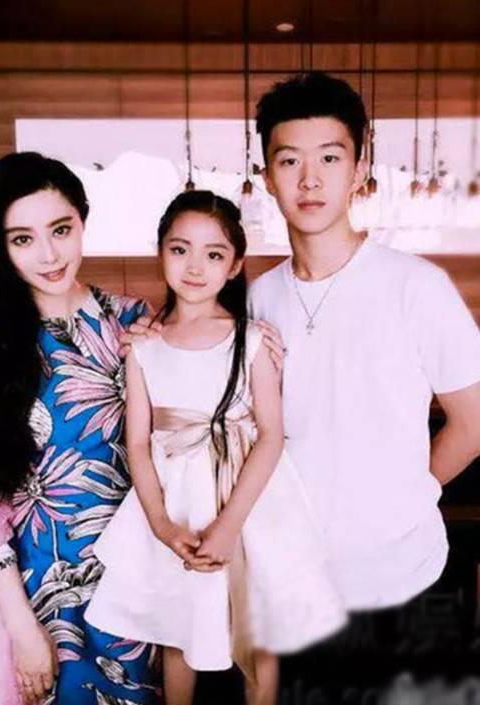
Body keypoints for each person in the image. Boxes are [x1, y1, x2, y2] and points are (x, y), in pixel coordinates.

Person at [85, 190, 347, 705]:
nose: (194, 267)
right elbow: (137, 442)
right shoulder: (143, 346)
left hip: (250, 505)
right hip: (177, 505)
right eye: (180, 249)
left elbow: (270, 435)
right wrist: (162, 525)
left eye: (213, 254)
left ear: (234, 266)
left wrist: (228, 525)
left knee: (258, 629)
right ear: (160, 252)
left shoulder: (253, 340)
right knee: (178, 630)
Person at [249, 72, 480, 612]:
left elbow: (473, 424)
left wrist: (409, 493)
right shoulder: (260, 297)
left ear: (358, 170)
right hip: (292, 578)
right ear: (267, 179)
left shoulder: (416, 286)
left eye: (329, 158)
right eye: (290, 161)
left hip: (405, 576)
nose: (310, 180)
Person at [0, 152, 159, 705]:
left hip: (136, 586)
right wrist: (22, 630)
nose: (48, 254)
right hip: (32, 594)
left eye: (60, 230)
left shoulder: (135, 322)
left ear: (82, 220)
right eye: (23, 239)